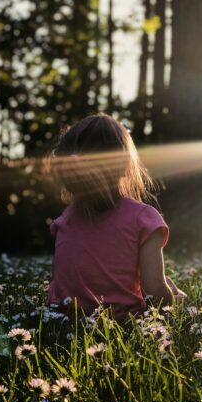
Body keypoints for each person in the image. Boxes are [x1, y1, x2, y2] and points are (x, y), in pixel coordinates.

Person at [44, 112, 186, 322]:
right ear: (123, 165)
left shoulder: (64, 220)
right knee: (169, 287)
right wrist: (176, 301)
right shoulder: (143, 218)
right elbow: (154, 292)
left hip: (63, 321)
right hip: (121, 324)